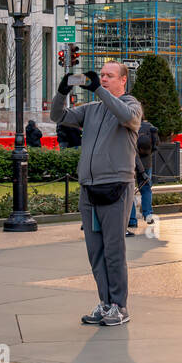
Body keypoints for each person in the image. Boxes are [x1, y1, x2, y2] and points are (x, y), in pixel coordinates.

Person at [51, 61, 142, 327]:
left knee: (114, 250)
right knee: (96, 252)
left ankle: (119, 306)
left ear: (123, 80)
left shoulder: (132, 106)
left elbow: (126, 116)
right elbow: (59, 116)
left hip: (116, 186)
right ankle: (105, 303)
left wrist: (98, 92)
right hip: (89, 188)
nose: (103, 79)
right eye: (101, 75)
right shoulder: (91, 110)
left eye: (109, 76)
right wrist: (61, 91)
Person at [128, 105, 159, 236]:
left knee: (129, 192)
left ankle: (132, 220)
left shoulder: (129, 126)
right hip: (147, 163)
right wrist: (143, 171)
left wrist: (140, 171)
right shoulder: (149, 126)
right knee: (146, 190)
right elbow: (156, 145)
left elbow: (132, 151)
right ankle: (148, 215)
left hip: (129, 163)